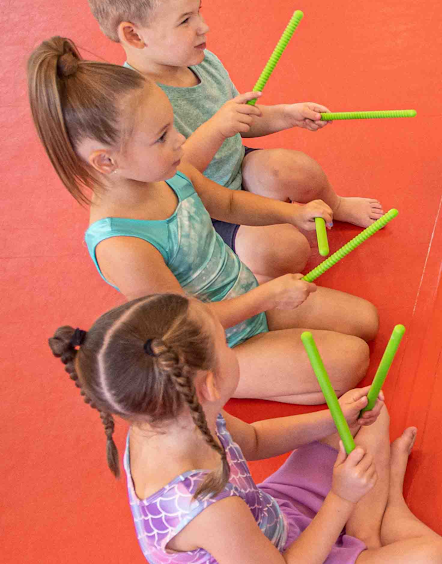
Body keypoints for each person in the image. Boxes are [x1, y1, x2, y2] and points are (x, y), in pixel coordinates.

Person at [49, 293, 442, 564]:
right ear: (210, 383)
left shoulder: (174, 415)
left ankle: (365, 535)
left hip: (269, 519)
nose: (231, 346)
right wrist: (342, 496)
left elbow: (257, 439)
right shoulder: (207, 509)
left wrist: (333, 418)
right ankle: (389, 504)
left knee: (369, 415)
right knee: (436, 562)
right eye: (225, 343)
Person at [27, 36, 375, 404]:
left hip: (244, 295)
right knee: (350, 361)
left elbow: (224, 201)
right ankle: (212, 383)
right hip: (213, 344)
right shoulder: (123, 245)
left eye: (172, 127)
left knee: (366, 321)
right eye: (162, 137)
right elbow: (187, 322)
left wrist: (294, 213)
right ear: (106, 161)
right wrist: (265, 297)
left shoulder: (166, 172)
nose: (180, 141)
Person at [84, 0, 383, 281]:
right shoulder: (135, 102)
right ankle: (240, 277)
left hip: (237, 172)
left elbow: (239, 120)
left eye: (198, 11)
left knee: (299, 169)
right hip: (201, 208)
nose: (203, 27)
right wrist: (217, 128)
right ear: (134, 35)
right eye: (185, 20)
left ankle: (337, 206)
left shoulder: (201, 61)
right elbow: (172, 176)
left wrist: (286, 115)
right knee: (285, 251)